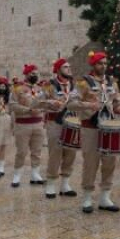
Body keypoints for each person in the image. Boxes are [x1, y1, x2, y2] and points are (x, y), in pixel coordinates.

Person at [67, 51, 120, 213]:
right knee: (91, 163)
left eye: (105, 63)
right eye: (100, 63)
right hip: (90, 127)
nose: (103, 66)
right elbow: (71, 103)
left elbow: (116, 102)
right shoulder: (83, 83)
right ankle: (87, 197)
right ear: (93, 64)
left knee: (110, 162)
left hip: (109, 128)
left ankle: (105, 197)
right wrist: (88, 106)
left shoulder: (112, 82)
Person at [43, 58, 78, 198]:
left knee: (70, 153)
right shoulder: (49, 85)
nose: (69, 69)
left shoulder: (74, 85)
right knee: (55, 153)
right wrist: (52, 103)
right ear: (58, 69)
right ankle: (51, 184)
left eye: (69, 66)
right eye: (65, 67)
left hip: (72, 122)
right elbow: (39, 101)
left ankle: (65, 184)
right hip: (55, 122)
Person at [9, 64, 47, 187]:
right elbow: (12, 105)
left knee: (37, 151)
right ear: (26, 74)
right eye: (32, 73)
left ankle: (35, 174)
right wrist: (28, 110)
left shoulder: (40, 89)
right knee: (21, 151)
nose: (35, 75)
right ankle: (17, 175)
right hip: (23, 125)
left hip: (38, 124)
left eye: (36, 73)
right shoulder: (17, 89)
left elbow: (44, 103)